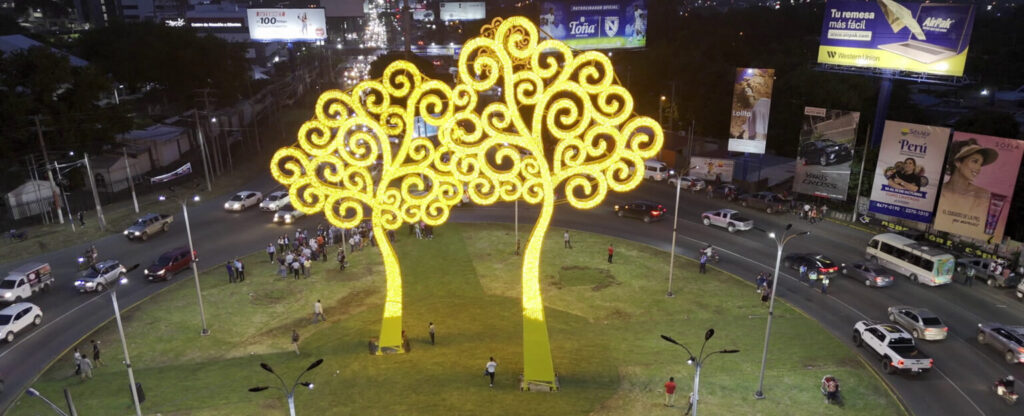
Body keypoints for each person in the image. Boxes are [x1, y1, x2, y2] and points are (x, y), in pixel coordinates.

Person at [934, 138, 1001, 239]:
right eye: (975, 161)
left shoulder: (982, 194)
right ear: (958, 162)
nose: (978, 168)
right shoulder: (939, 190)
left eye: (980, 164)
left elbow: (975, 228)